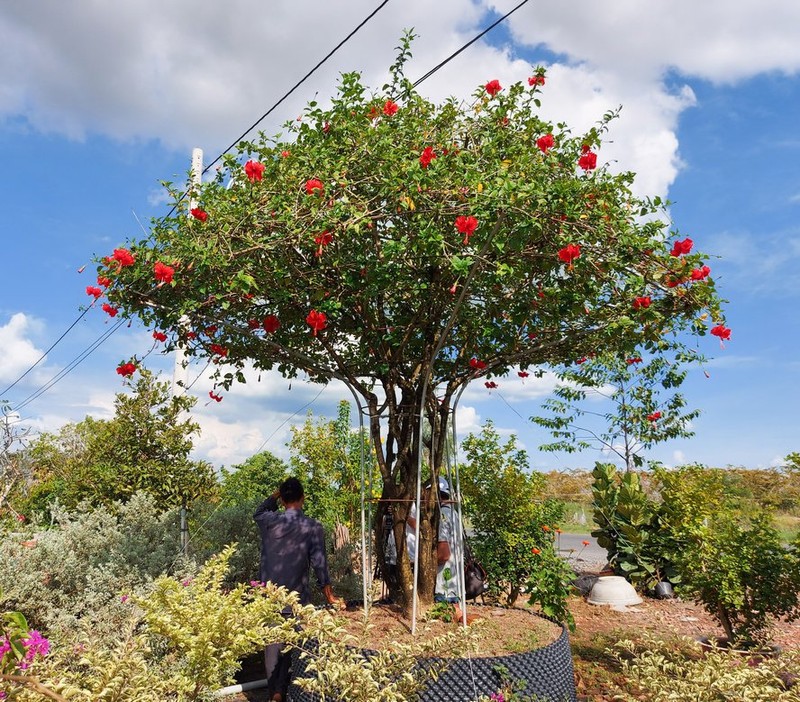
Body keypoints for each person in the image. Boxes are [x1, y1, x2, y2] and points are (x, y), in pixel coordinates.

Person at [254, 477, 342, 702]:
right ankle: (289, 691)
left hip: (270, 597)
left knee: (273, 647)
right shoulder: (312, 527)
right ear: (303, 499)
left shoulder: (269, 521)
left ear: (282, 500)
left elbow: (259, 510)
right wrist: (329, 595)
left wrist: (275, 495)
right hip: (297, 598)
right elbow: (320, 563)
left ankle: (276, 692)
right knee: (295, 645)